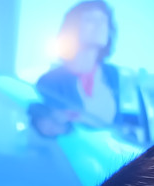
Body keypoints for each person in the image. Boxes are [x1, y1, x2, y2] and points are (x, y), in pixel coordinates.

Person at [31, 1, 120, 136]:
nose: (100, 26)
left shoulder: (112, 73)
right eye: (90, 20)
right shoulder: (49, 81)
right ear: (73, 28)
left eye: (103, 20)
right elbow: (43, 127)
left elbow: (117, 125)